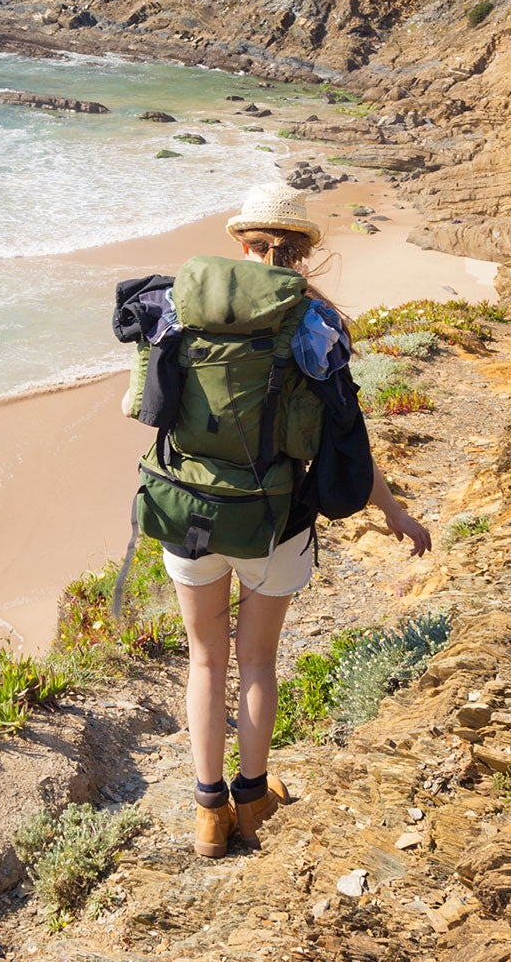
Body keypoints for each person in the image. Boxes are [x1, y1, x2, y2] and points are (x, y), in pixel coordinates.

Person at [129, 181, 431, 858]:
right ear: (298, 256)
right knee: (258, 660)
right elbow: (344, 439)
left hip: (187, 509)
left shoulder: (177, 306)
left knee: (205, 660)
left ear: (240, 244)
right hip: (273, 518)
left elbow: (146, 406)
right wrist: (392, 511)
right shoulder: (314, 327)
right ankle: (253, 796)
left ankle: (208, 815)